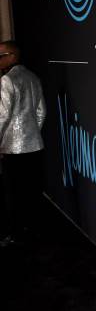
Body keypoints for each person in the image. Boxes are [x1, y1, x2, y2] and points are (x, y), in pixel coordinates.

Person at [0, 40, 46, 246]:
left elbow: (2, 116)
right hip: (35, 145)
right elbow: (41, 111)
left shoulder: (7, 81)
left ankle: (16, 235)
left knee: (13, 194)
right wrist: (31, 132)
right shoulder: (33, 77)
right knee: (32, 191)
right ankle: (34, 231)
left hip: (13, 147)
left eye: (1, 56)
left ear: (12, 56)